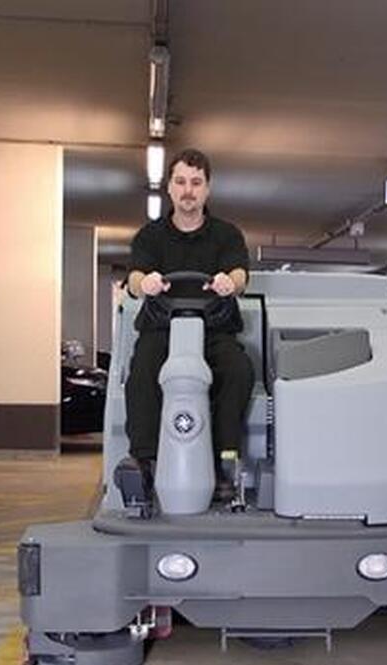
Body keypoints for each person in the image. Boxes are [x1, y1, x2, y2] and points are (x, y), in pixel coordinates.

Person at [124, 148, 255, 499]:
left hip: (213, 329)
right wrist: (145, 283)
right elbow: (134, 279)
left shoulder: (227, 235)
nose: (188, 190)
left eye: (196, 183)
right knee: (142, 371)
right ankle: (144, 462)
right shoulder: (150, 236)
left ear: (207, 189)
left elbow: (240, 274)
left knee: (237, 370)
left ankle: (225, 460)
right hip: (162, 329)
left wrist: (230, 282)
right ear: (169, 187)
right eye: (181, 182)